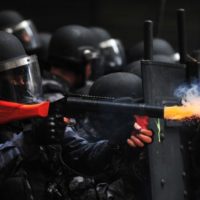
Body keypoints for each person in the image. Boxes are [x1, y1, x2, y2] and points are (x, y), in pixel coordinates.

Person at [0, 31, 153, 200]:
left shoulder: (31, 116)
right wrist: (28, 140)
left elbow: (82, 155)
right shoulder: (29, 131)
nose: (22, 82)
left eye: (22, 73)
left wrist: (116, 143)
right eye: (13, 76)